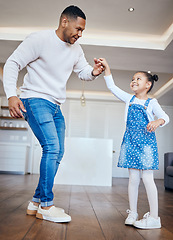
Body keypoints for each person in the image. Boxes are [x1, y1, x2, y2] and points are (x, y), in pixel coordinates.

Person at [3, 5, 104, 223]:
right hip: (35, 99)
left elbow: (84, 71)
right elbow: (13, 63)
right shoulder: (39, 39)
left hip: (55, 105)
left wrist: (94, 72)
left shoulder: (76, 50)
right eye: (78, 29)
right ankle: (47, 206)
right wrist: (11, 95)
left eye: (82, 31)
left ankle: (36, 201)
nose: (79, 34)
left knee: (58, 152)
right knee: (52, 147)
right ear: (64, 21)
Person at [99, 58, 169, 229]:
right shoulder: (129, 99)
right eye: (133, 79)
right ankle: (133, 212)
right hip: (130, 141)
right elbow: (112, 87)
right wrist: (107, 68)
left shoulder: (151, 102)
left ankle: (154, 217)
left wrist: (157, 122)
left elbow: (165, 117)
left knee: (147, 178)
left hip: (146, 144)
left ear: (148, 85)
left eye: (138, 78)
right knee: (133, 178)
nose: (134, 81)